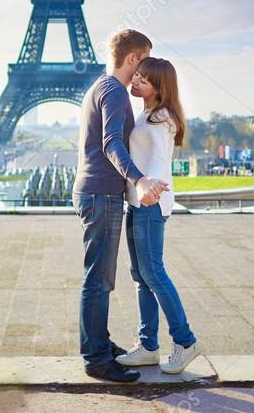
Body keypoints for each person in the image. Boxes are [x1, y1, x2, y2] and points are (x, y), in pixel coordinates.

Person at [72, 29, 168, 383]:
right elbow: (111, 141)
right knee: (99, 279)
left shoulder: (99, 87)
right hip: (101, 193)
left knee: (98, 276)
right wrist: (140, 179)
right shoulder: (113, 91)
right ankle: (96, 358)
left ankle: (98, 343)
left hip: (93, 190)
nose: (146, 69)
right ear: (132, 58)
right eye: (143, 61)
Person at [116, 57, 202, 375]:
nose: (135, 82)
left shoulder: (162, 117)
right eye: (135, 76)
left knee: (153, 274)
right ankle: (148, 346)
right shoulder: (147, 113)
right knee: (141, 276)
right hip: (140, 201)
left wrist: (148, 186)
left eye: (143, 80)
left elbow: (159, 160)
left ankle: (185, 341)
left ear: (159, 87)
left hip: (150, 202)